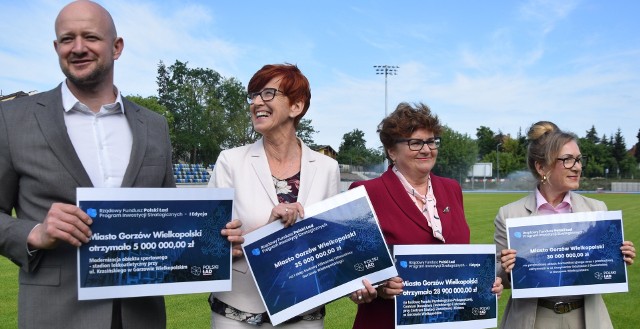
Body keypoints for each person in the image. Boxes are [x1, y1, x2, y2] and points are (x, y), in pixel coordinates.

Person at [207, 63, 340, 328]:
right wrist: (266, 230)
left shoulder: (327, 168)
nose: (256, 102)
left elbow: (332, 241)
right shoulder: (230, 161)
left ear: (296, 107)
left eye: (267, 93)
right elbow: (208, 244)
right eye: (253, 95)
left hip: (305, 310)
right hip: (238, 310)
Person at [348, 102, 503, 328]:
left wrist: (484, 285)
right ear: (392, 150)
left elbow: (461, 260)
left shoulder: (451, 189)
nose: (426, 149)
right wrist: (381, 287)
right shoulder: (366, 192)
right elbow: (355, 269)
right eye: (415, 142)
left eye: (431, 141)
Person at [495, 121, 636, 329]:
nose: (577, 167)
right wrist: (508, 270)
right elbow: (499, 278)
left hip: (586, 318)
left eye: (578, 160)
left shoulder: (597, 210)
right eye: (568, 160)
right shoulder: (509, 214)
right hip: (532, 318)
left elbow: (603, 272)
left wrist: (617, 258)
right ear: (541, 167)